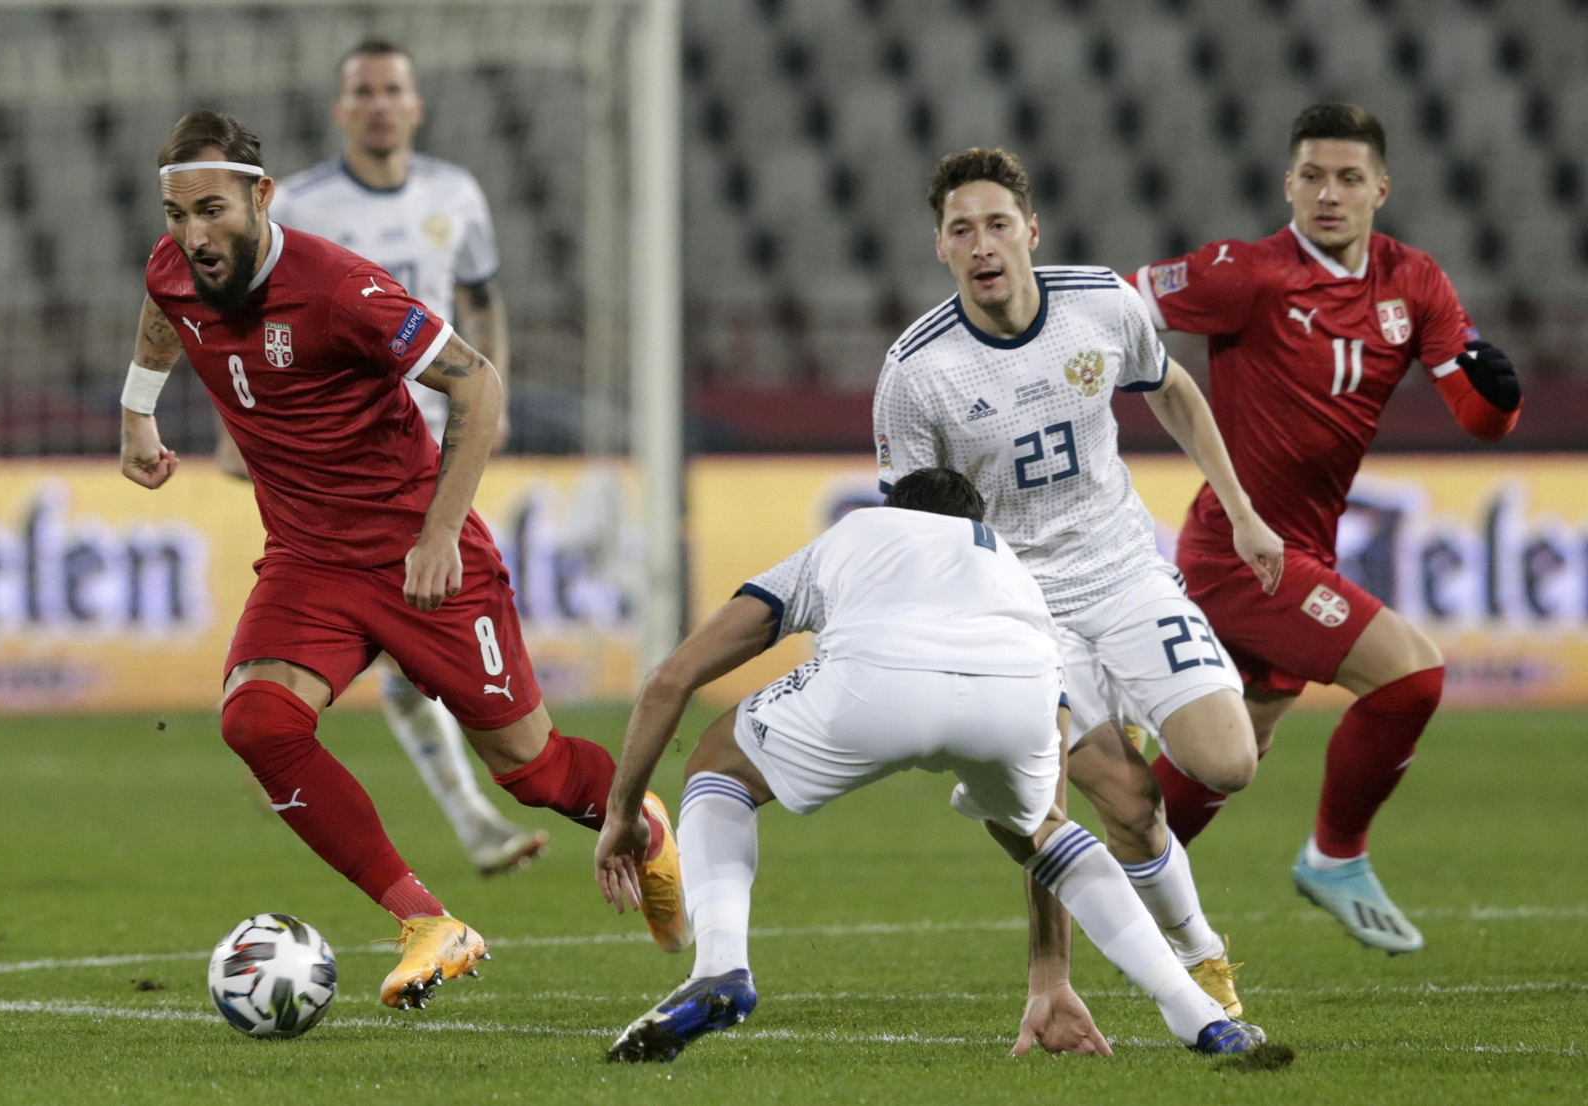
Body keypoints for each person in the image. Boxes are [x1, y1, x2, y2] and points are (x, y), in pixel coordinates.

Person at [120, 110, 685, 1010]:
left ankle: (641, 822)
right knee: (256, 724)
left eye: (212, 212)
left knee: (532, 771)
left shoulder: (341, 288)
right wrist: (137, 410)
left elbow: (477, 381)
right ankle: (428, 921)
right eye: (177, 215)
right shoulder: (175, 267)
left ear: (262, 198)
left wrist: (436, 534)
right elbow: (161, 306)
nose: (193, 237)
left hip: (422, 551)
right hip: (307, 559)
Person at [593, 467, 1267, 1061]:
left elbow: (669, 680)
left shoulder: (855, 533)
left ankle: (720, 968)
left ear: (897, 511)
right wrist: (1050, 975)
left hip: (876, 682)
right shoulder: (1011, 567)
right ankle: (1196, 1010)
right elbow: (1053, 771)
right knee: (1041, 831)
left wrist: (623, 814)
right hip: (1016, 682)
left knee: (718, 763)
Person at [871, 148, 1285, 1018]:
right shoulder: (916, 374)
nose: (982, 244)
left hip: (1127, 571)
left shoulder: (1100, 302)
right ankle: (1192, 957)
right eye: (960, 230)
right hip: (1022, 607)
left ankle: (1027, 782)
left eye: (995, 224)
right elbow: (912, 528)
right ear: (939, 248)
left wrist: (1241, 509)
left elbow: (1171, 389)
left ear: (1030, 230)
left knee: (1228, 760)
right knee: (1120, 804)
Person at [1125, 103, 1522, 953]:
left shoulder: (1413, 282)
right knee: (1411, 677)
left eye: (1347, 178)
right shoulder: (1247, 273)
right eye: (1311, 176)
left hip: (1304, 544)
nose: (1328, 194)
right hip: (1241, 551)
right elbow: (1119, 308)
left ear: (1381, 187)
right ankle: (1335, 855)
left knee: (1231, 749)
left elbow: (1480, 419)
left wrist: (1500, 394)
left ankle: (1108, 888)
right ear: (1288, 184)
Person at [213, 39, 538, 879]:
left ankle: (294, 738)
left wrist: (492, 396)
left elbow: (481, 297)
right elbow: (249, 318)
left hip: (437, 444)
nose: (381, 104)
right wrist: (238, 421)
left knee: (415, 630)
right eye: (364, 91)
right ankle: (467, 819)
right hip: (343, 453)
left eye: (394, 89)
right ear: (341, 109)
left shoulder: (456, 194)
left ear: (416, 105)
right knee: (398, 631)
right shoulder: (306, 207)